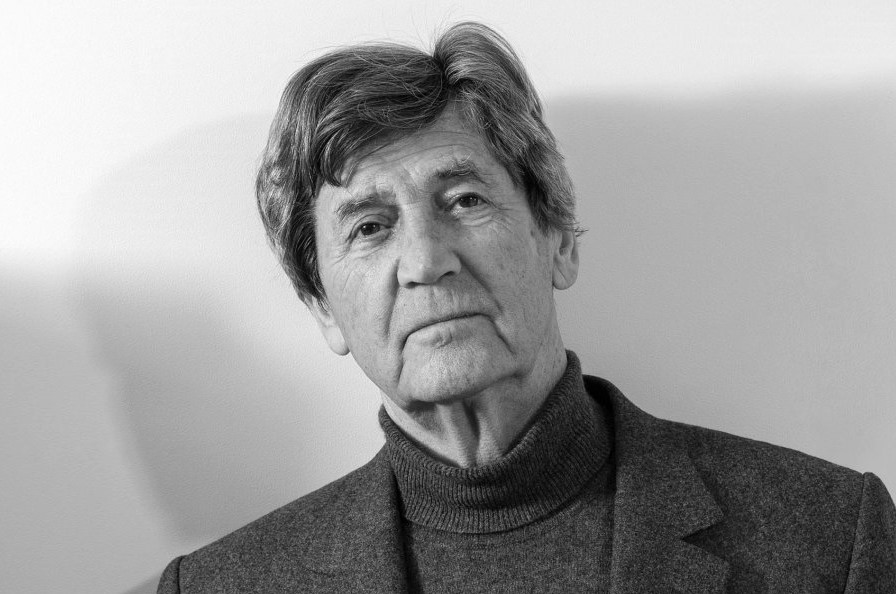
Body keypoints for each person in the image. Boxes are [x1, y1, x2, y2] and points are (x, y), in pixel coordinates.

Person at [157, 22, 896, 593]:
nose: (426, 261)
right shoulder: (219, 586)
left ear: (558, 239)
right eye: (370, 227)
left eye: (464, 200)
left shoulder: (832, 537)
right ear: (322, 307)